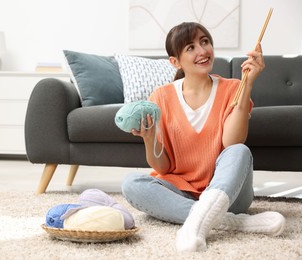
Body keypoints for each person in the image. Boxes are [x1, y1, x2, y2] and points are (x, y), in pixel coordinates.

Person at [121, 22, 285, 252]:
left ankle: (201, 220)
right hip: (183, 191)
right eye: (190, 47)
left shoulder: (232, 88)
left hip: (231, 195)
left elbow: (231, 143)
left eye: (204, 42)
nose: (202, 51)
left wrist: (247, 84)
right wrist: (149, 138)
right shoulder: (160, 97)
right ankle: (234, 223)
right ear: (175, 62)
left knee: (240, 151)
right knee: (131, 184)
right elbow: (164, 166)